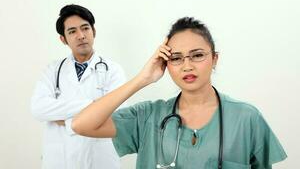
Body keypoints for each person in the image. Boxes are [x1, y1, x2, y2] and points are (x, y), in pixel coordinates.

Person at [72, 17, 287, 169]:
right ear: (166, 64)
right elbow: (81, 124)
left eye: (197, 55)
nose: (187, 66)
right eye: (176, 58)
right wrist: (142, 78)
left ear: (215, 59)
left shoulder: (246, 118)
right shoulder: (148, 116)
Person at [31, 4, 125, 169]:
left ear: (93, 31)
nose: (81, 36)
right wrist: (95, 105)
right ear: (63, 39)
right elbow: (38, 109)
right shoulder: (52, 70)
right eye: (72, 31)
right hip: (59, 160)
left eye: (85, 28)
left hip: (99, 160)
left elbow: (118, 114)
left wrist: (63, 118)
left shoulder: (113, 70)